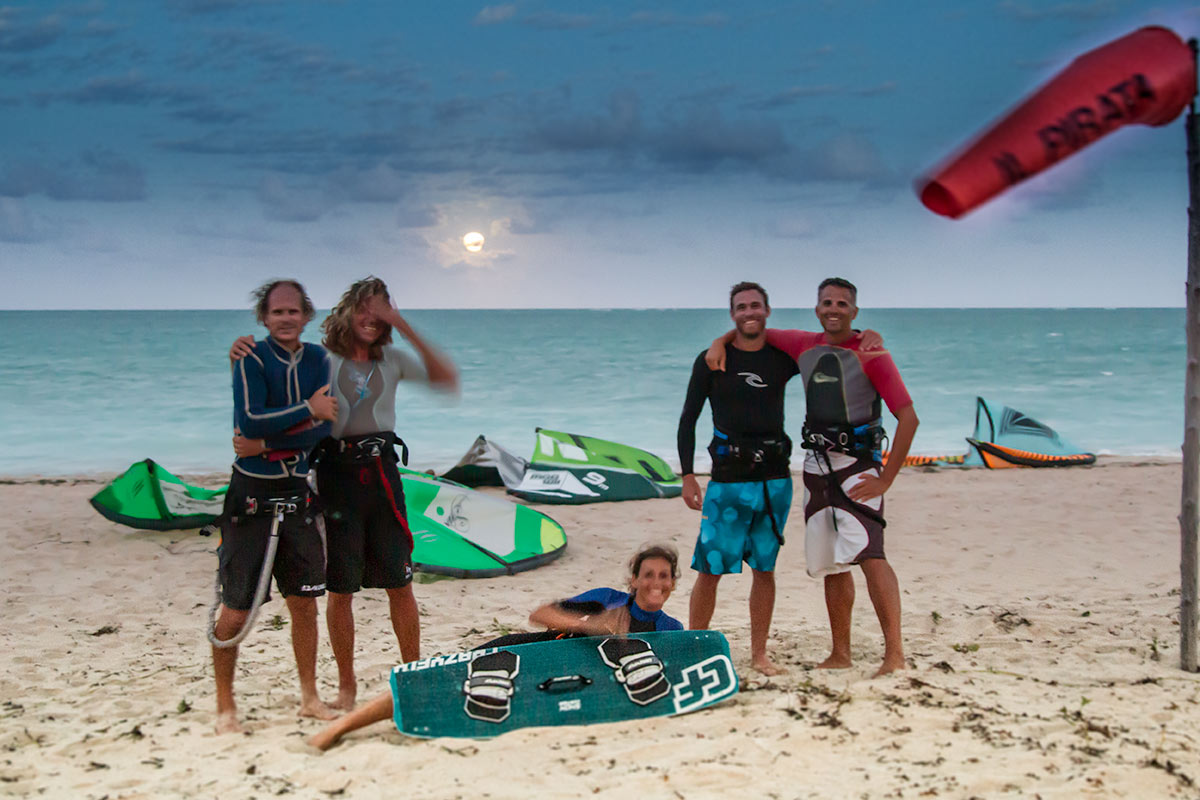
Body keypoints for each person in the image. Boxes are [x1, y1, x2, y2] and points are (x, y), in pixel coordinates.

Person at [231, 277, 458, 710]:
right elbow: (281, 402)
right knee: (340, 589)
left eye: (381, 314)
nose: (372, 321)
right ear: (348, 314)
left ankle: (411, 679)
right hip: (336, 477)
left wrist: (403, 324)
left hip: (383, 476)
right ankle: (346, 688)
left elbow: (445, 377)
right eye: (365, 313)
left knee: (401, 585)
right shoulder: (323, 361)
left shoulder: (391, 360)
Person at [685, 282, 883, 675]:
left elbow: (831, 345)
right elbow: (687, 418)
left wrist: (867, 338)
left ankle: (760, 654)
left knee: (765, 570)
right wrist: (688, 474)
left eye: (755, 306)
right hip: (726, 480)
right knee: (709, 570)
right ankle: (693, 648)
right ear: (732, 314)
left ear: (768, 311)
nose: (749, 312)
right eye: (741, 307)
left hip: (774, 479)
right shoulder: (710, 361)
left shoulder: (782, 357)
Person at [306, 544, 682, 751]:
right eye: (647, 574)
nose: (655, 582)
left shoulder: (672, 630)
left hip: (572, 685)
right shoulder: (607, 600)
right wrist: (593, 625)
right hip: (525, 655)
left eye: (663, 576)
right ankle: (342, 728)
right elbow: (541, 614)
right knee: (435, 679)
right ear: (634, 580)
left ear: (673, 585)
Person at [728, 277, 917, 677]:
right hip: (816, 469)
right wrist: (717, 344)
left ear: (854, 311)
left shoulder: (873, 355)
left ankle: (894, 655)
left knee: (871, 553)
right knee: (833, 564)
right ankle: (841, 653)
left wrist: (887, 480)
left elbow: (909, 418)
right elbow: (753, 328)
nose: (834, 309)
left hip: (858, 469)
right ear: (817, 309)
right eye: (827, 302)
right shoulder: (803, 344)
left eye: (842, 304)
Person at [212, 279, 339, 734]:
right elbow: (248, 418)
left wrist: (265, 442)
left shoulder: (321, 359)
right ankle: (225, 706)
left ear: (306, 316)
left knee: (304, 603)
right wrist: (306, 410)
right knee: (236, 609)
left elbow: (324, 429)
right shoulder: (250, 358)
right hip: (251, 494)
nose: (285, 318)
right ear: (263, 318)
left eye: (293, 311)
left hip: (298, 494)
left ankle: (310, 697)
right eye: (276, 312)